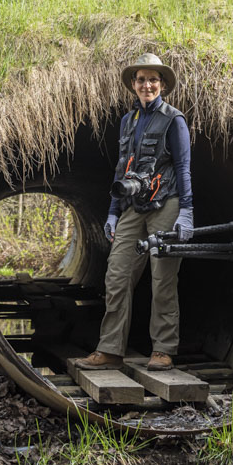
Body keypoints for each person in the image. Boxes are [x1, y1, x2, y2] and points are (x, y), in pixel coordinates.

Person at [75, 53, 194, 372]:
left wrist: (187, 211)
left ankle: (163, 350)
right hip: (132, 207)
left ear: (163, 84)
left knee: (162, 277)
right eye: (141, 79)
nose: (147, 85)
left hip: (165, 203)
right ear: (133, 84)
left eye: (153, 79)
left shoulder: (174, 119)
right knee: (117, 275)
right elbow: (121, 168)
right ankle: (110, 349)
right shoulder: (128, 121)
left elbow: (183, 167)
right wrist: (113, 212)